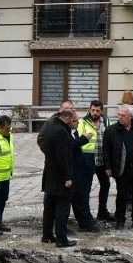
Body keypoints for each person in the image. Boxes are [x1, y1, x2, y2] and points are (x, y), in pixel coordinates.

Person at [39, 109, 78, 248]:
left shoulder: (49, 125)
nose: (73, 123)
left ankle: (47, 235)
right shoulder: (61, 131)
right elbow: (63, 157)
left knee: (49, 207)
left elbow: (41, 142)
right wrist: (67, 177)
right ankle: (62, 239)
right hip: (60, 177)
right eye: (73, 120)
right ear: (67, 118)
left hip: (49, 173)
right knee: (62, 207)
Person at [77, 101, 110, 225]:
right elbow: (79, 140)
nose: (95, 113)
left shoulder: (106, 122)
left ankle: (102, 211)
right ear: (89, 110)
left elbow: (110, 139)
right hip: (88, 160)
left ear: (101, 111)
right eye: (93, 110)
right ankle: (86, 215)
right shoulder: (82, 122)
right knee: (86, 188)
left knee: (105, 185)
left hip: (102, 160)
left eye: (97, 110)